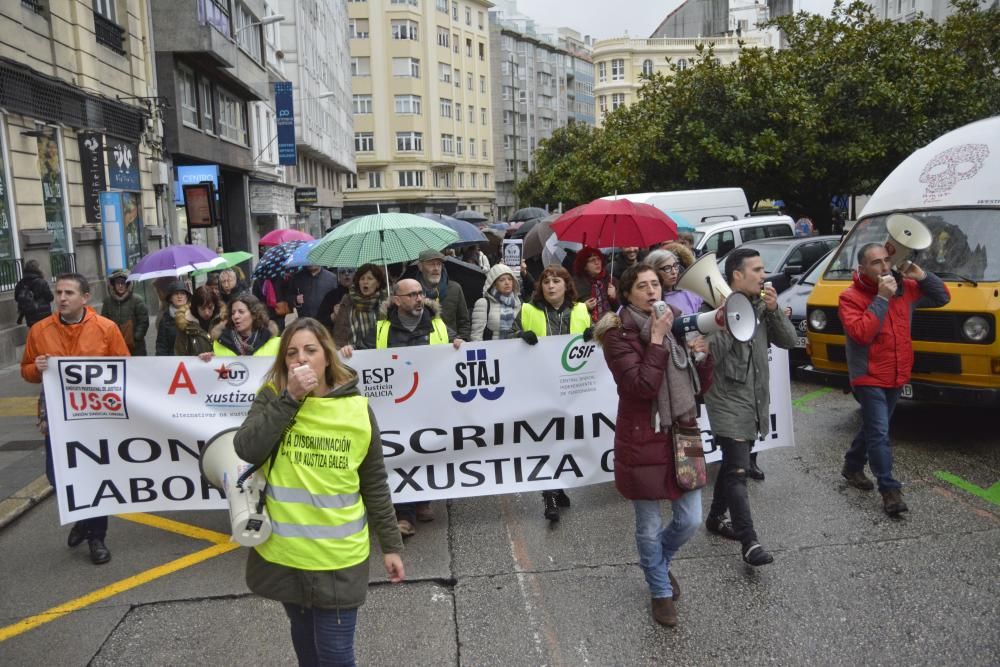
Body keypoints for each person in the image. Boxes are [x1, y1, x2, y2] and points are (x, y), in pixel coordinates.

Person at [233, 318, 404, 666]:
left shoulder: (356, 408)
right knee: (305, 643)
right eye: (292, 353)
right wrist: (290, 398)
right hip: (286, 554)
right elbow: (247, 448)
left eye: (310, 350)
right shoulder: (273, 397)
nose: (301, 359)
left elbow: (373, 481)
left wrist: (391, 546)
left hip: (339, 559)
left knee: (336, 655)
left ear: (327, 356)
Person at [595, 264, 713, 626]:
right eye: (643, 286)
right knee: (647, 525)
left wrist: (702, 358)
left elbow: (698, 389)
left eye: (656, 285)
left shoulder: (677, 322)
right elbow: (641, 387)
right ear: (627, 293)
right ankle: (660, 590)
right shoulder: (617, 335)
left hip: (683, 428)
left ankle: (656, 562)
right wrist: (659, 341)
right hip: (643, 435)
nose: (652, 292)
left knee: (691, 519)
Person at [20, 273, 129, 564]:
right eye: (59, 293)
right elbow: (27, 370)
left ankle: (97, 537)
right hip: (57, 418)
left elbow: (125, 369)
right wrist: (37, 367)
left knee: (95, 476)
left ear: (85, 298)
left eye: (69, 293)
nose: (62, 298)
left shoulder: (106, 329)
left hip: (95, 417)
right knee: (57, 476)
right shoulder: (40, 330)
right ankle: (83, 519)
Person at [838, 244, 949, 515]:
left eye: (887, 260)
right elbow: (862, 334)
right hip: (868, 376)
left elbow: (942, 297)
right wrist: (881, 299)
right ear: (862, 269)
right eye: (876, 263)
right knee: (880, 433)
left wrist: (920, 274)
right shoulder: (849, 297)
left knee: (876, 427)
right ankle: (889, 490)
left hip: (897, 372)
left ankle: (852, 466)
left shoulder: (906, 289)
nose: (885, 267)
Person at [703, 247, 796, 566]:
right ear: (737, 276)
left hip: (753, 401)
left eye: (762, 269)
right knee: (738, 471)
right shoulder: (714, 309)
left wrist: (771, 311)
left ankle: (715, 519)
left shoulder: (761, 305)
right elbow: (709, 355)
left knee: (732, 466)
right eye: (756, 270)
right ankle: (749, 541)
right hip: (727, 401)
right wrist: (730, 318)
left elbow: (789, 341)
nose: (763, 275)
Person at [372, 278, 462, 536]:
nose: (419, 298)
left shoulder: (438, 325)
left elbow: (456, 345)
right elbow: (364, 356)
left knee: (428, 450)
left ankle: (423, 499)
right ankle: (405, 513)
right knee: (402, 453)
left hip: (431, 403)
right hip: (395, 405)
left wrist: (459, 344)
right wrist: (348, 352)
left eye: (420, 293)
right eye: (411, 295)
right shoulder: (381, 330)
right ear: (397, 300)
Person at [511, 264, 591, 522]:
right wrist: (520, 336)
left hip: (573, 387)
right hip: (540, 385)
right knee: (547, 438)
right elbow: (506, 339)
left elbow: (602, 339)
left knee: (565, 437)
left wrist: (594, 335)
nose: (551, 286)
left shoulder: (581, 311)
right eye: (546, 282)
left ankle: (558, 486)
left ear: (566, 285)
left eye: (556, 281)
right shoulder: (527, 310)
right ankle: (549, 495)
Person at [415, 249, 471, 341]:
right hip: (422, 346)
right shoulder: (412, 291)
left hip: (450, 346)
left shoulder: (454, 288)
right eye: (431, 264)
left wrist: (463, 340)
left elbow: (464, 321)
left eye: (439, 264)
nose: (436, 268)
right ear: (420, 266)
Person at [203, 292, 280, 358]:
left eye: (241, 312)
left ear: (254, 314)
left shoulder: (275, 342)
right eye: (233, 313)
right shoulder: (220, 342)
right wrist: (208, 360)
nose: (235, 316)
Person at [331, 263, 386, 354]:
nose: (365, 282)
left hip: (380, 355)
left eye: (370, 278)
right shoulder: (347, 300)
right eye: (362, 278)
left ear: (378, 284)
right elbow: (339, 334)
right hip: (353, 355)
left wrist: (387, 311)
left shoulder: (385, 301)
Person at [101, 270, 149, 355]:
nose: (120, 286)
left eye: (123, 283)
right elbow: (104, 322)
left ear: (127, 284)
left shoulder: (137, 300)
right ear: (113, 285)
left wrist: (136, 337)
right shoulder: (108, 302)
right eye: (117, 283)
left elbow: (143, 321)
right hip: (115, 345)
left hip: (136, 347)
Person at [470, 264, 522, 341]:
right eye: (502, 280)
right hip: (491, 351)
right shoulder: (483, 303)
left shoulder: (518, 303)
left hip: (514, 350)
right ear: (494, 283)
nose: (507, 282)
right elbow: (476, 337)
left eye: (510, 279)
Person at [645, 249, 703, 315]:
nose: (674, 272)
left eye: (675, 266)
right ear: (654, 271)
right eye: (667, 268)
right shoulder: (652, 299)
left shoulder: (688, 292)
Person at [174, 286, 226, 356]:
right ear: (196, 307)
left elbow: (232, 350)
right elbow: (179, 354)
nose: (207, 312)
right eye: (202, 308)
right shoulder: (185, 325)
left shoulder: (224, 321)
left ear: (215, 306)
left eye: (210, 307)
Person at [572, 247, 617, 323]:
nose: (597, 263)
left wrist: (614, 297)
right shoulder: (576, 283)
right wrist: (584, 307)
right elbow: (570, 307)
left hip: (610, 324)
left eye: (598, 259)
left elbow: (620, 308)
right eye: (592, 260)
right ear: (584, 266)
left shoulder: (610, 280)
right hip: (588, 325)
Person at [155, 281, 191, 356]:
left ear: (187, 297)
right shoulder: (165, 319)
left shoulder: (194, 315)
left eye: (182, 293)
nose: (179, 296)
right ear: (170, 298)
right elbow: (161, 346)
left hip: (192, 361)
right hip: (173, 362)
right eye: (176, 293)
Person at [14, 259, 54, 327]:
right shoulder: (42, 282)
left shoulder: (21, 283)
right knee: (44, 335)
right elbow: (50, 297)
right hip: (44, 316)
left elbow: (16, 298)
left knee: (33, 334)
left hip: (30, 316)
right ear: (38, 269)